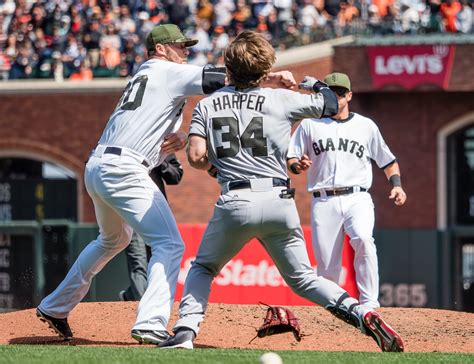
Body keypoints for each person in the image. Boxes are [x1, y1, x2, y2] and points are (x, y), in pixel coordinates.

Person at [159, 30, 404, 352]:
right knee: (303, 279)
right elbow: (331, 104)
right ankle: (361, 311)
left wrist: (220, 166)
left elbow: (196, 158)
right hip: (279, 201)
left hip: (235, 199)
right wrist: (310, 83)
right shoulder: (282, 99)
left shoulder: (207, 105)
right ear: (264, 69)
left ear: (228, 68)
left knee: (203, 268)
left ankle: (185, 332)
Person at [36, 23, 230, 345]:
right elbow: (217, 79)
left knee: (112, 240)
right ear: (160, 49)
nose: (186, 51)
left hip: (99, 165)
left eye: (186, 46)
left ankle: (55, 306)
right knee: (170, 244)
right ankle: (151, 322)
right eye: (180, 46)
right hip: (124, 169)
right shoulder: (166, 70)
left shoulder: (147, 74)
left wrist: (183, 136)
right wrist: (261, 79)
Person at [287, 72, 407, 310]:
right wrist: (297, 166)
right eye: (331, 93)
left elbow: (388, 161)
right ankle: (332, 309)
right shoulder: (310, 124)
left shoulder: (366, 126)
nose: (337, 98)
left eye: (341, 93)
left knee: (363, 239)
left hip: (357, 196)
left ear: (349, 95)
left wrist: (397, 185)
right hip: (323, 199)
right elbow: (291, 158)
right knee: (327, 267)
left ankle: (370, 304)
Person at [120, 154, 184, 302]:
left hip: (155, 212)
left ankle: (131, 295)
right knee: (138, 262)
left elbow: (175, 177)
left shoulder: (162, 144)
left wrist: (160, 160)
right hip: (130, 211)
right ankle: (142, 307)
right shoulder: (125, 141)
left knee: (156, 261)